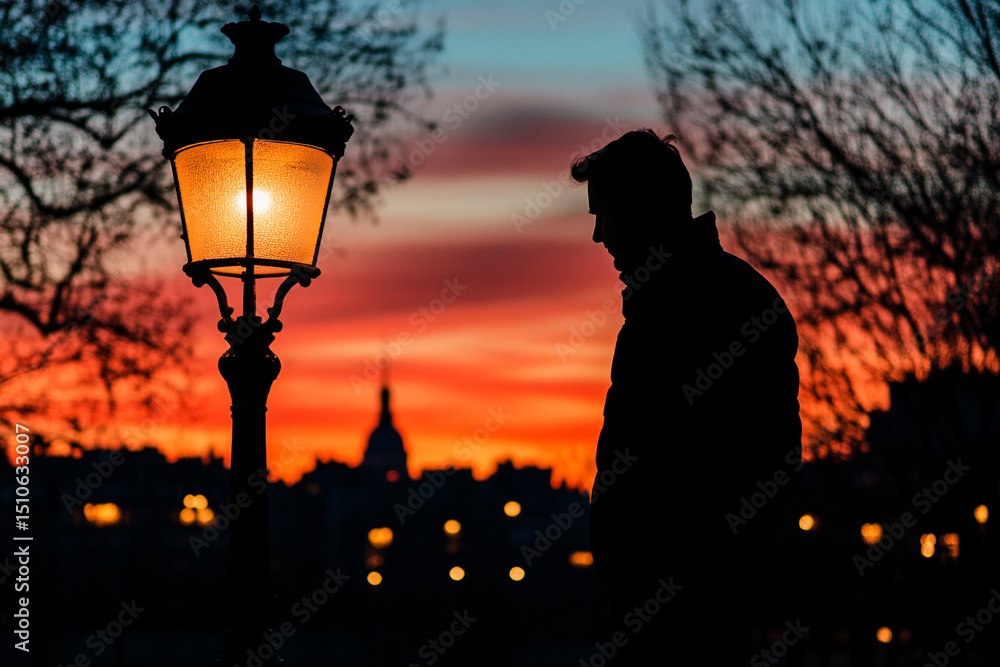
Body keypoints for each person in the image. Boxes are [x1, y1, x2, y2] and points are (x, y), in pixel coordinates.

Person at [572, 129, 802, 665]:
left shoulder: (705, 302)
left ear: (634, 207)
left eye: (601, 215)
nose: (597, 236)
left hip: (689, 609)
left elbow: (754, 461)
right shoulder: (696, 299)